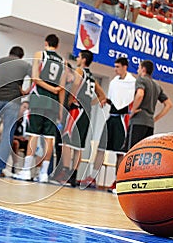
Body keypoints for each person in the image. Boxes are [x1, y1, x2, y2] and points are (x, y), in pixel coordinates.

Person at [13, 34, 66, 183]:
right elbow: (61, 88)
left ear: (46, 43)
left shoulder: (40, 54)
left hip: (38, 100)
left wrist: (49, 88)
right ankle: (43, 173)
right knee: (49, 139)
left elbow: (36, 78)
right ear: (57, 46)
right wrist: (61, 108)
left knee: (33, 135)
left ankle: (26, 171)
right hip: (53, 104)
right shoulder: (63, 61)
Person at [116, 60, 173, 192]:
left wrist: (132, 110)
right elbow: (169, 104)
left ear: (143, 69)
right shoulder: (157, 85)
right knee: (143, 157)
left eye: (138, 68)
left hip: (138, 122)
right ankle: (137, 186)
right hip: (149, 124)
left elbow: (140, 94)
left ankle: (124, 185)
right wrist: (155, 118)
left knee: (131, 154)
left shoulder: (141, 80)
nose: (137, 71)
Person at [52, 50, 106, 187]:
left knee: (66, 141)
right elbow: (102, 96)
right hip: (86, 111)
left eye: (79, 56)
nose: (77, 58)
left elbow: (76, 83)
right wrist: (90, 103)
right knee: (79, 147)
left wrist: (71, 98)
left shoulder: (79, 70)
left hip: (77, 109)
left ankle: (65, 172)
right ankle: (74, 176)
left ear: (83, 60)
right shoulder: (92, 77)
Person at [84, 57, 135, 188]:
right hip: (111, 117)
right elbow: (113, 99)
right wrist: (105, 101)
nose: (115, 69)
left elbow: (130, 101)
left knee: (121, 152)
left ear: (125, 67)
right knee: (101, 148)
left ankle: (118, 181)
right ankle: (92, 177)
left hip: (123, 119)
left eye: (117, 67)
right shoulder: (113, 82)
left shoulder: (132, 82)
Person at [0, 46, 32, 177]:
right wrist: (26, 91)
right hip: (13, 101)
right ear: (21, 55)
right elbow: (36, 79)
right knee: (7, 135)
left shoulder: (0, 61)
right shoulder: (25, 65)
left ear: (10, 53)